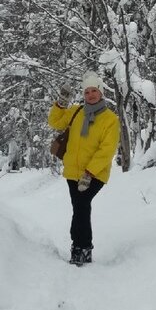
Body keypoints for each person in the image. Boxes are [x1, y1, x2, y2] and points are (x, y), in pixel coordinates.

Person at [48, 70, 120, 266]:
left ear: (101, 92)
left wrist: (90, 172)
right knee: (79, 208)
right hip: (73, 171)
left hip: (94, 174)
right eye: (87, 91)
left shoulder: (110, 119)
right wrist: (62, 103)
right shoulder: (76, 112)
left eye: (94, 90)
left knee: (81, 206)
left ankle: (82, 248)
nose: (90, 95)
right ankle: (79, 248)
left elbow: (107, 149)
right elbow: (54, 122)